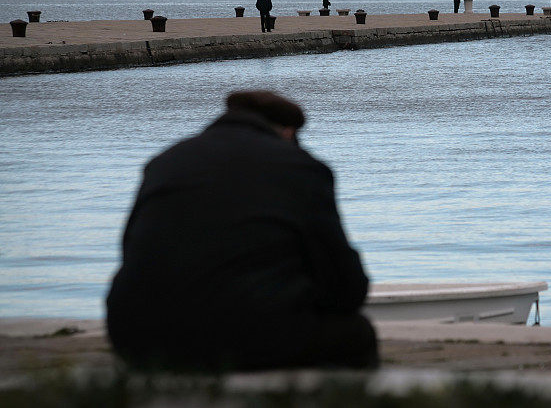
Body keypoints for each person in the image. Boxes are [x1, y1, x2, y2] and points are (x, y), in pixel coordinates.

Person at [106, 91, 377, 371]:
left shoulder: (165, 162)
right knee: (356, 333)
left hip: (136, 336)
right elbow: (345, 284)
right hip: (245, 337)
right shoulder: (300, 167)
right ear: (287, 131)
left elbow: (130, 249)